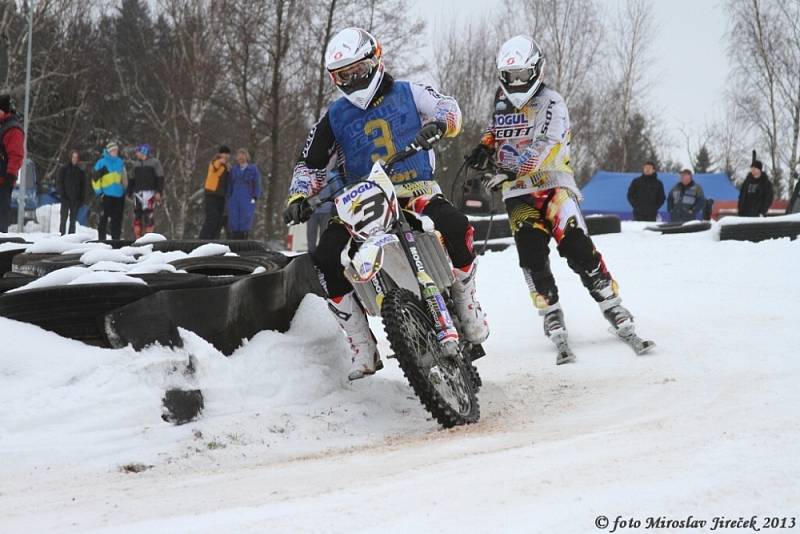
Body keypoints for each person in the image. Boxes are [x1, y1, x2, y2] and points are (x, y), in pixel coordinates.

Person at [282, 27, 488, 380]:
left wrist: (440, 125)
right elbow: (310, 164)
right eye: (342, 76)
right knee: (325, 258)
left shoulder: (409, 91)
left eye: (356, 71)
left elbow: (448, 107)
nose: (351, 80)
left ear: (375, 59)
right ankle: (362, 344)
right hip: (360, 201)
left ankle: (464, 301)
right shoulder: (333, 117)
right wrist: (299, 195)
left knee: (456, 226)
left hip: (414, 189)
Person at [465, 35, 639, 361]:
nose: (516, 83)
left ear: (536, 71)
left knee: (576, 246)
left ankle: (611, 304)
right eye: (510, 76)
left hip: (554, 186)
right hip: (518, 194)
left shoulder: (552, 102)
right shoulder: (500, 100)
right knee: (531, 254)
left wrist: (509, 169)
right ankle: (550, 309)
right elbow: (497, 129)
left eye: (522, 76)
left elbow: (544, 145)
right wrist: (485, 146)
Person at [127, 144, 164, 238]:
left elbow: (160, 177)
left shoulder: (155, 163)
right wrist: (129, 191)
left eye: (138, 152)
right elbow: (131, 179)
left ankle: (149, 236)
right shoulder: (136, 164)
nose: (136, 153)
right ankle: (137, 236)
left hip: (150, 193)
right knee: (137, 214)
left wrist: (158, 191)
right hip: (138, 193)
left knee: (149, 214)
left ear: (143, 152)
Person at [92, 141, 127, 241]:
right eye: (113, 150)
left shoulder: (120, 162)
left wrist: (125, 188)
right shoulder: (102, 163)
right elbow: (95, 179)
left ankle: (116, 239)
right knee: (104, 217)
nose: (115, 152)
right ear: (108, 151)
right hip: (106, 194)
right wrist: (99, 191)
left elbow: (124, 176)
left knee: (117, 219)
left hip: (119, 195)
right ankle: (101, 238)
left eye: (116, 150)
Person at [0, 94, 24, 233]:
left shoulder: (12, 129)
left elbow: (16, 155)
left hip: (3, 180)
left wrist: (10, 175)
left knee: (1, 214)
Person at [227, 148, 261, 239]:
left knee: (245, 218)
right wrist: (229, 196)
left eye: (243, 155)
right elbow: (230, 183)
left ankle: (244, 238)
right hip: (235, 197)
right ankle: (235, 239)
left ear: (247, 157)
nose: (241, 157)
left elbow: (256, 183)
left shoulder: (252, 169)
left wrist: (255, 196)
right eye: (239, 155)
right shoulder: (234, 170)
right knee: (234, 218)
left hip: (247, 197)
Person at [198, 146, 231, 239]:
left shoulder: (226, 166)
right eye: (224, 153)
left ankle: (214, 238)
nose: (226, 156)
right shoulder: (215, 162)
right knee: (212, 218)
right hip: (212, 193)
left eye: (227, 154)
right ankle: (204, 238)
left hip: (221, 195)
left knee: (218, 219)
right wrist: (221, 162)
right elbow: (215, 168)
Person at [305, 168, 337, 254]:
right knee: (311, 236)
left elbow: (337, 192)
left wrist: (334, 205)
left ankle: (322, 254)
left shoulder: (330, 176)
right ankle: (311, 255)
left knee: (324, 236)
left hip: (326, 212)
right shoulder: (308, 176)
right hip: (311, 212)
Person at [56, 150, 87, 235]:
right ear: (70, 158)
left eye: (76, 157)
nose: (75, 159)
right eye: (73, 157)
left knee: (73, 221)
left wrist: (81, 198)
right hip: (65, 198)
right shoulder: (64, 169)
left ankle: (71, 237)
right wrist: (62, 194)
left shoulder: (80, 171)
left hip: (76, 199)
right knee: (63, 219)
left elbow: (83, 185)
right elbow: (59, 182)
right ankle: (61, 235)